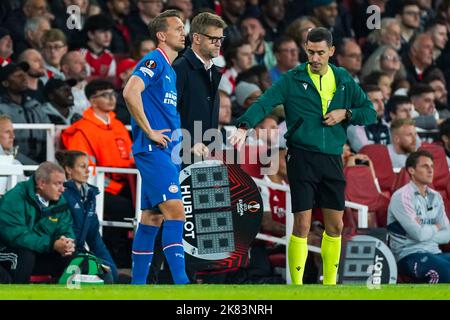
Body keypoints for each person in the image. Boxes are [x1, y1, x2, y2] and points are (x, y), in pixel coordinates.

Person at [230, 27, 376, 285]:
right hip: (300, 158)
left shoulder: (343, 79)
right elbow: (264, 102)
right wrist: (244, 126)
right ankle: (296, 288)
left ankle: (329, 285)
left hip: (332, 158)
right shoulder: (292, 78)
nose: (315, 58)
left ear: (331, 52)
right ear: (305, 50)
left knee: (336, 227)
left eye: (321, 52)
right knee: (302, 225)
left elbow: (369, 111)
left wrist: (346, 114)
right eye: (310, 52)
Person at [123, 10, 189, 285]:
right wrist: (149, 130)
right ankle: (182, 284)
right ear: (162, 35)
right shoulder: (154, 60)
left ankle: (137, 286)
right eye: (177, 28)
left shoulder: (169, 70)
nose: (182, 32)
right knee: (176, 211)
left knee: (152, 217)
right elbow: (129, 91)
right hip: (153, 150)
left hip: (166, 151)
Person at [0, 161, 75, 284]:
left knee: (72, 256)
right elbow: (16, 236)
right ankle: (18, 296)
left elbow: (66, 229)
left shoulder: (60, 202)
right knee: (25, 256)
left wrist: (67, 242)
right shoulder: (14, 198)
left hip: (39, 250)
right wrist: (52, 244)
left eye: (63, 184)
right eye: (58, 184)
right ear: (41, 183)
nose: (62, 189)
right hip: (6, 249)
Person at [55, 150, 119, 282]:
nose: (87, 171)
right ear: (68, 169)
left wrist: (112, 267)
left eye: (88, 166)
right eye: (82, 166)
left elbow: (94, 238)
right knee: (104, 275)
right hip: (63, 253)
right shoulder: (62, 194)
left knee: (110, 272)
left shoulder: (90, 196)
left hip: (79, 252)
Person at [387, 150, 450, 283]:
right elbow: (418, 235)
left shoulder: (435, 196)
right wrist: (436, 227)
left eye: (432, 166)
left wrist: (425, 230)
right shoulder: (401, 197)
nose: (430, 170)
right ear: (411, 170)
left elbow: (447, 235)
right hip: (408, 255)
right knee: (446, 273)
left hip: (434, 252)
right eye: (425, 166)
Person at [173, 12, 226, 159]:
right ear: (196, 38)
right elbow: (169, 112)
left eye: (221, 39)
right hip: (182, 156)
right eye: (214, 39)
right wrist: (188, 144)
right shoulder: (180, 68)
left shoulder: (213, 71)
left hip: (207, 155)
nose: (219, 44)